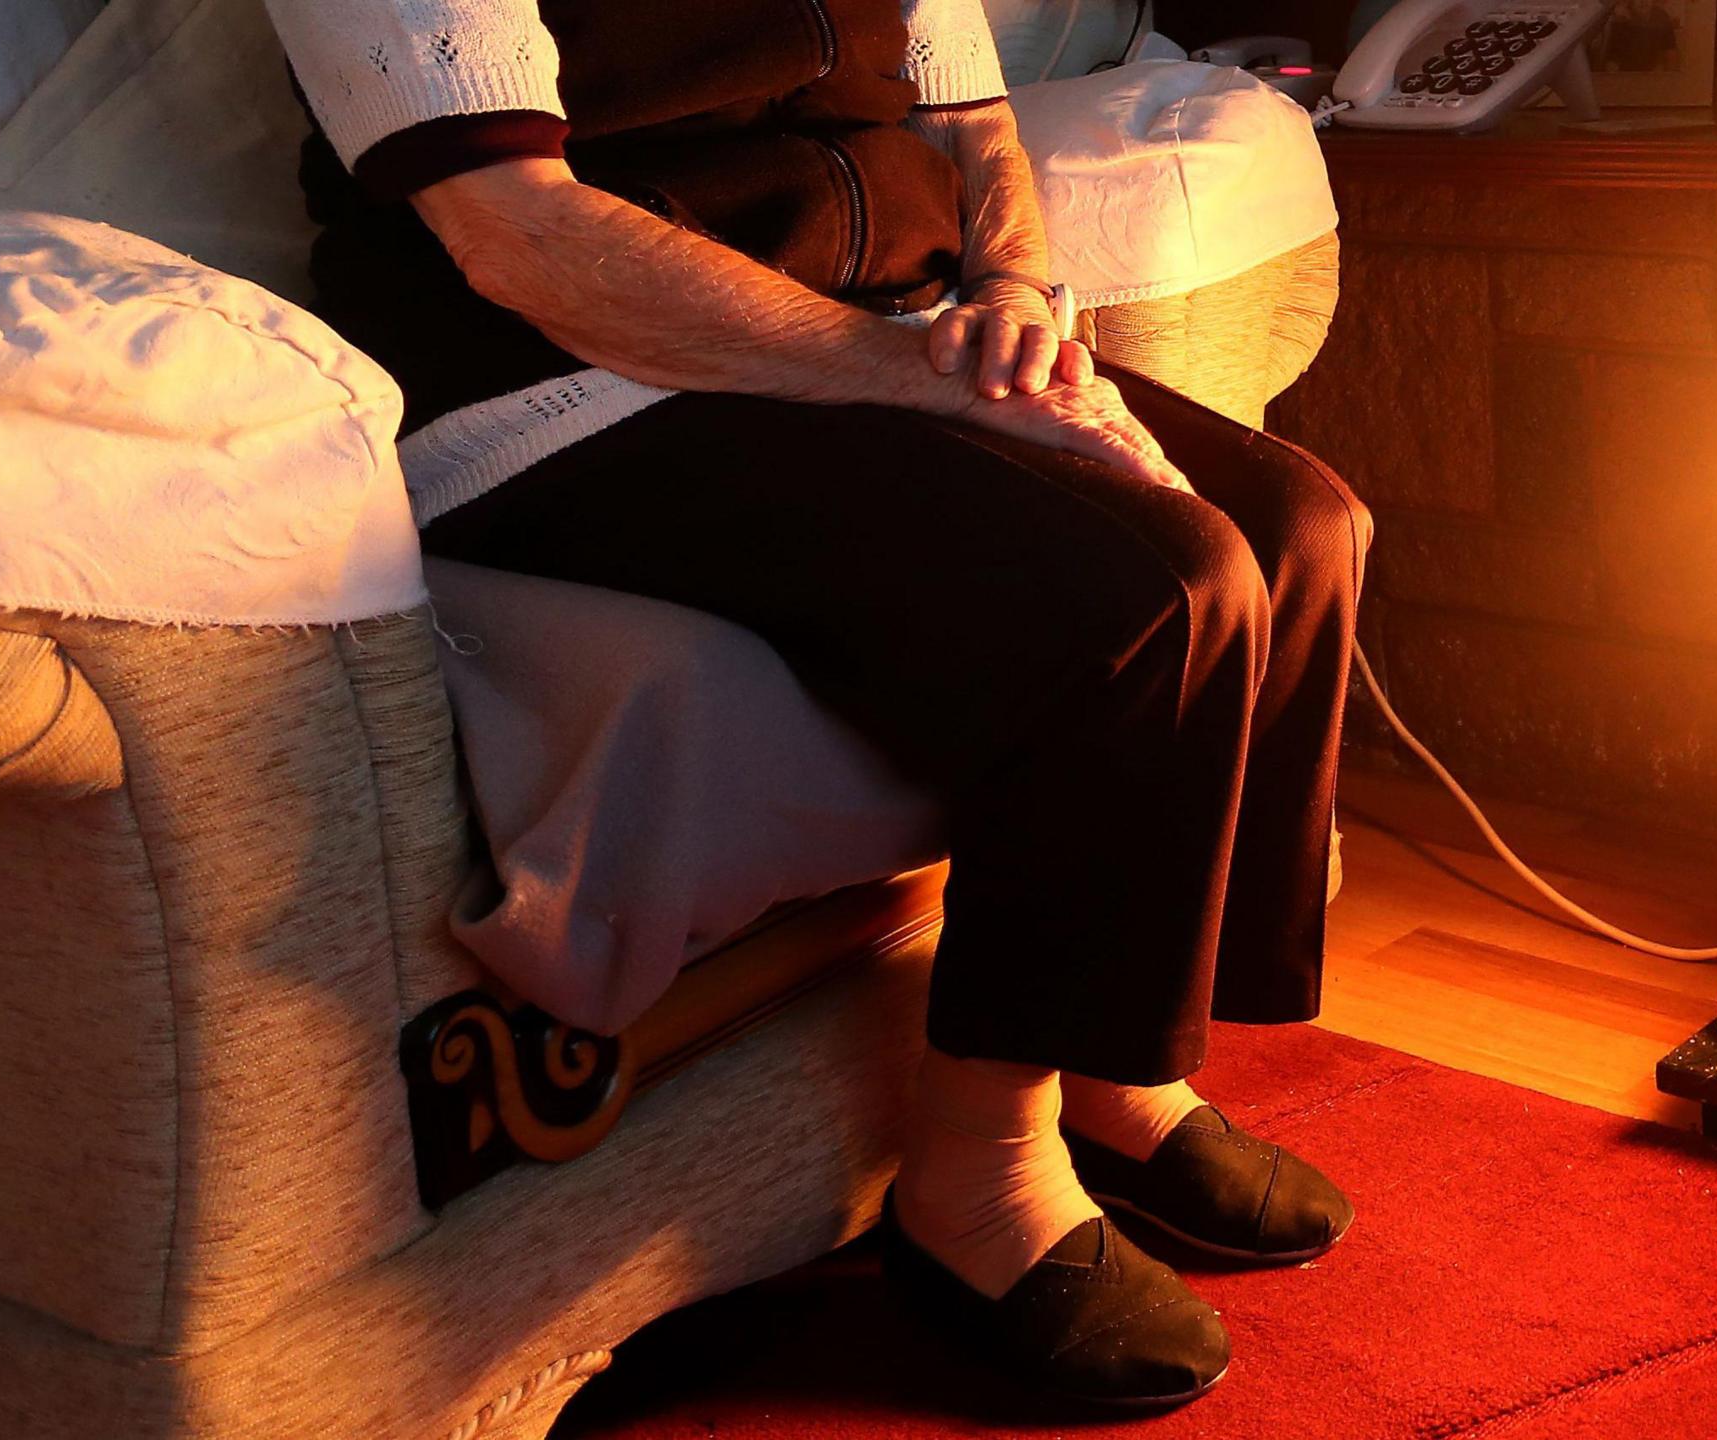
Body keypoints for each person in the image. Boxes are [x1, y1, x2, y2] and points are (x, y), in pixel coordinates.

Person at [262, 0, 1371, 1407]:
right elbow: (515, 230)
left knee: (1299, 525)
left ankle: (1119, 1066)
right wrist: (921, 382)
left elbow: (969, 125)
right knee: (1157, 590)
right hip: (581, 390)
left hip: (877, 343)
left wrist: (1014, 303)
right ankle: (978, 1182)